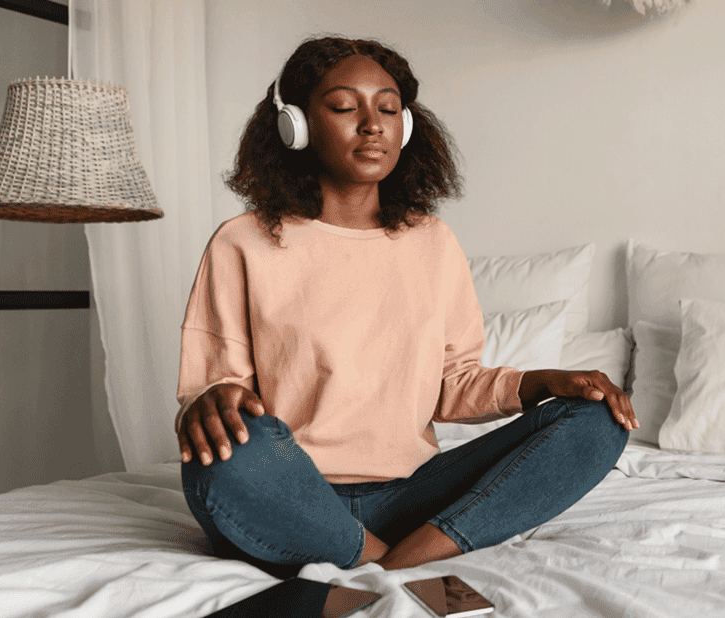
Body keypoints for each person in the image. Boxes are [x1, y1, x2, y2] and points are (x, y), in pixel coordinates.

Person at [175, 36, 637, 578]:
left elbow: (451, 382)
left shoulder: (432, 242)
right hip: (292, 488)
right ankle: (382, 557)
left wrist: (538, 383)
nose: (372, 123)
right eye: (345, 107)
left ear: (406, 126)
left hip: (412, 497)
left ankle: (394, 554)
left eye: (389, 109)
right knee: (227, 453)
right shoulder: (243, 242)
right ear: (294, 125)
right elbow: (213, 392)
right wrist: (212, 399)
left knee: (598, 418)